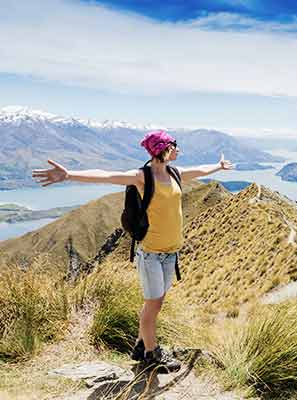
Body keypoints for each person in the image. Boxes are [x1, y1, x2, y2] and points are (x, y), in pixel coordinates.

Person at [32, 129, 233, 372]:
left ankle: (140, 344)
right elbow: (106, 176)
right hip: (151, 254)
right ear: (164, 148)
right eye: (175, 145)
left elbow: (200, 170)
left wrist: (218, 166)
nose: (179, 150)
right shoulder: (142, 177)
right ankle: (151, 354)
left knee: (153, 304)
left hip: (171, 254)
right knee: (154, 305)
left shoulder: (175, 173)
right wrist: (68, 174)